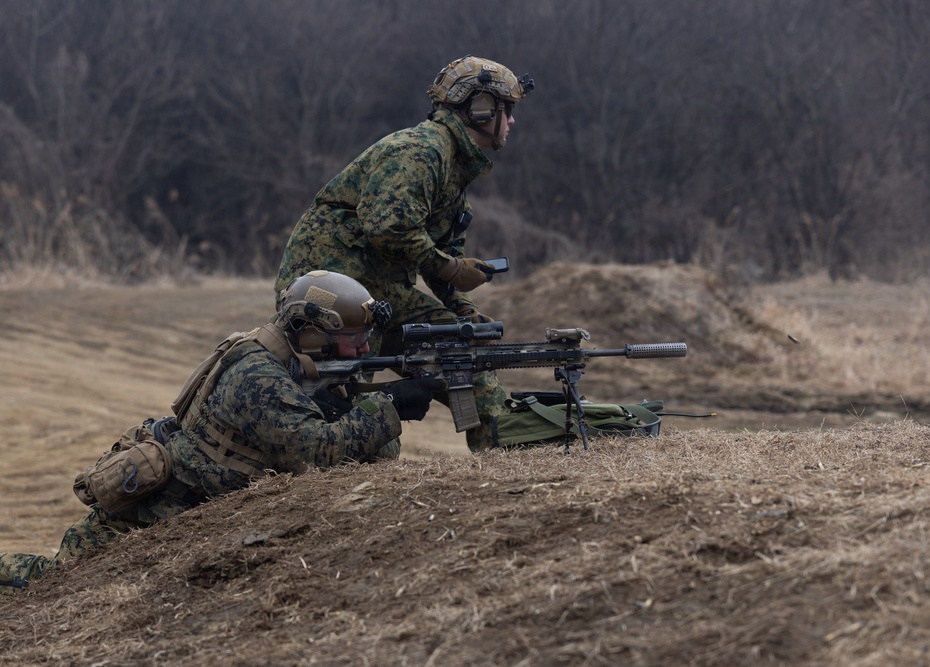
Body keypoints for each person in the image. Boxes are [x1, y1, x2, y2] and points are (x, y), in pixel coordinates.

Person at [0, 270, 434, 594]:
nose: (364, 349)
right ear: (314, 335)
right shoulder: (258, 375)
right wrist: (390, 405)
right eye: (356, 338)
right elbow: (318, 452)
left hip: (184, 506)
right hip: (148, 512)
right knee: (50, 583)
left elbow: (363, 452)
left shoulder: (293, 362)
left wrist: (363, 407)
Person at [274, 55, 535, 452]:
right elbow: (390, 229)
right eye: (507, 110)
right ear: (481, 110)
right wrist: (449, 270)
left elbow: (439, 246)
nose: (512, 121)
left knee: (452, 340)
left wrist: (461, 306)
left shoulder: (452, 163)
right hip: (330, 293)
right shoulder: (420, 150)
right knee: (439, 349)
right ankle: (505, 439)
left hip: (369, 288)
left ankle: (504, 439)